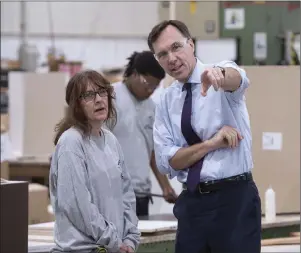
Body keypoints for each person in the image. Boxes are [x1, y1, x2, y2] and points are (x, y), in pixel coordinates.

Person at [147, 20, 261, 253]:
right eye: (162, 54)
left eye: (176, 47)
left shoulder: (219, 75)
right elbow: (168, 161)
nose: (171, 58)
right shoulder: (166, 101)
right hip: (192, 202)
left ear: (191, 44)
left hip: (233, 200)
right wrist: (212, 144)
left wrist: (220, 74)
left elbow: (238, 79)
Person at [49, 70, 140, 253]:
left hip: (113, 247)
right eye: (89, 95)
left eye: (102, 92)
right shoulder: (71, 143)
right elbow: (78, 205)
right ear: (76, 105)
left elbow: (126, 194)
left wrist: (130, 237)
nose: (99, 99)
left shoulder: (110, 140)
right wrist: (113, 240)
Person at [108, 51, 178, 217]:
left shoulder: (152, 108)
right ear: (134, 74)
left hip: (141, 194)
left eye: (155, 86)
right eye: (147, 83)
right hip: (114, 194)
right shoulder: (109, 98)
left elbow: (153, 152)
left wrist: (165, 187)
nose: (150, 90)